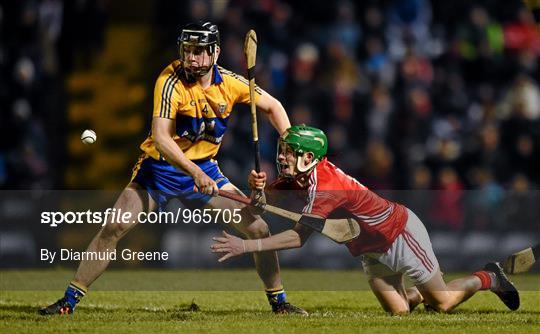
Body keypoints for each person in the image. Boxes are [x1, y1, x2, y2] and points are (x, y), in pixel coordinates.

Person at [39, 21, 306, 316]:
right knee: (113, 226)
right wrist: (195, 173)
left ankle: (279, 303)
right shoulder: (169, 80)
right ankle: (68, 301)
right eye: (188, 50)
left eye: (199, 51)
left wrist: (289, 148)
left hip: (206, 169)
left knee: (258, 228)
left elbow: (274, 107)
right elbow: (161, 138)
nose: (191, 57)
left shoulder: (230, 84)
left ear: (215, 53)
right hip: (159, 170)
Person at [211, 125, 520, 315]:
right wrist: (258, 191)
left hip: (399, 235)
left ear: (308, 158)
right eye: (282, 151)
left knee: (442, 304)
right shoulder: (303, 176)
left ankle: (489, 277)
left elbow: (297, 238)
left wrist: (247, 245)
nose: (281, 157)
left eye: (289, 152)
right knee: (399, 312)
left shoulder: (327, 188)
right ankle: (425, 289)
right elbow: (266, 202)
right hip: (370, 249)